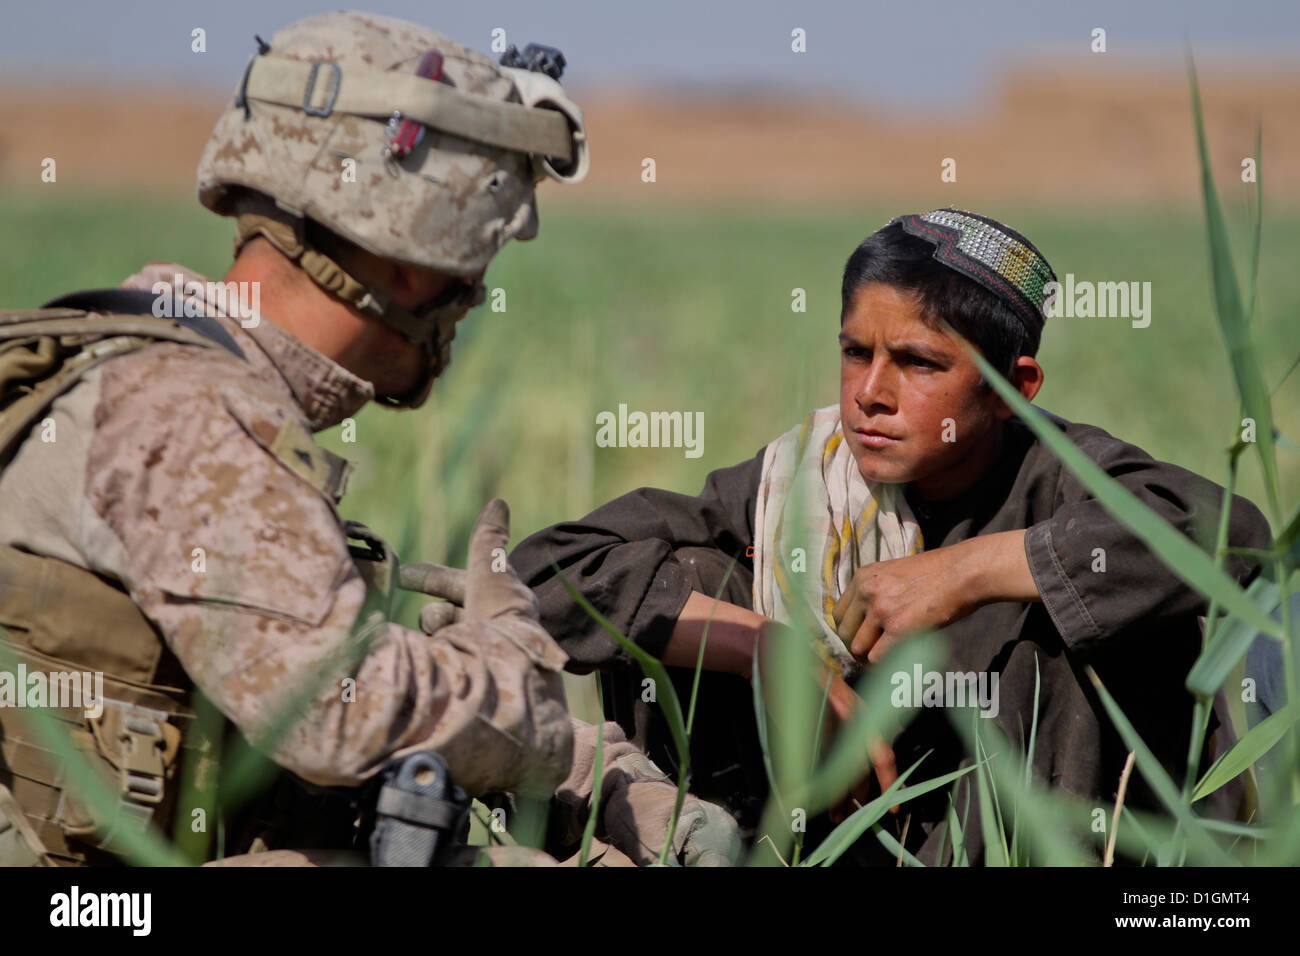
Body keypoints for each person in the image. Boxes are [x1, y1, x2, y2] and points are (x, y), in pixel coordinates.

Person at [0, 10, 737, 868]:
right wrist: (512, 668)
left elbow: (311, 662)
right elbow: (338, 709)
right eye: (478, 259)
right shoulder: (187, 414)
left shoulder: (136, 356)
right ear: (413, 256)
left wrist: (597, 777)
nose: (474, 295)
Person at [511, 208, 1275, 864]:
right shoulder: (803, 483)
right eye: (855, 352)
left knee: (1086, 599)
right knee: (694, 578)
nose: (870, 393)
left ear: (1016, 386)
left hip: (1028, 840)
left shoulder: (1064, 475)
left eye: (917, 362)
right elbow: (547, 573)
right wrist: (768, 651)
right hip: (836, 838)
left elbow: (1229, 534)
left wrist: (965, 574)